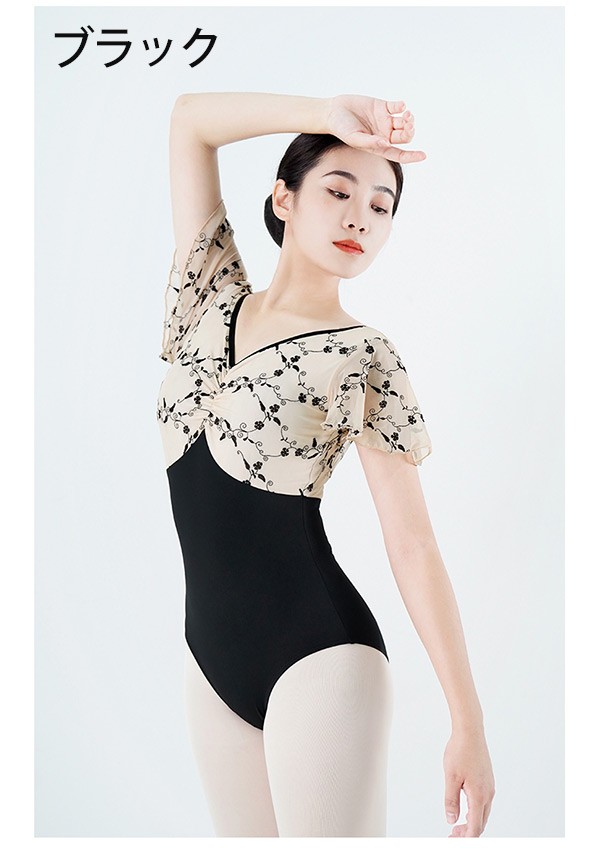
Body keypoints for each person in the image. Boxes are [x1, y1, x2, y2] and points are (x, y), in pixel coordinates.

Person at [156, 91, 495, 838]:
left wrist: (466, 722)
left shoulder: (365, 355)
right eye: (338, 192)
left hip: (322, 657)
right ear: (284, 197)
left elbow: (413, 542)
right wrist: (327, 115)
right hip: (208, 660)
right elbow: (190, 121)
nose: (359, 219)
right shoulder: (208, 293)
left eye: (380, 206)